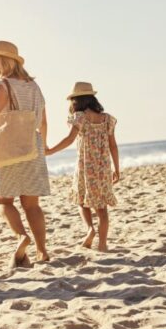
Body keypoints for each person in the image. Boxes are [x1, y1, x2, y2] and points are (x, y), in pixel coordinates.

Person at [0, 41, 51, 268]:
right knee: (32, 204)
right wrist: (44, 146)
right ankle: (42, 250)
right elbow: (44, 121)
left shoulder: (3, 84)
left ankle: (21, 236)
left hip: (10, 146)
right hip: (33, 145)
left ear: (1, 61)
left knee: (3, 200)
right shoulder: (34, 86)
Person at [46, 82, 120, 251]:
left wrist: (50, 151)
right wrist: (117, 169)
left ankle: (90, 229)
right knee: (102, 209)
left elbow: (69, 139)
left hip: (85, 167)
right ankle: (102, 245)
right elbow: (113, 146)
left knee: (81, 200)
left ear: (76, 101)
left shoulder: (79, 117)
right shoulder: (107, 119)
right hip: (102, 168)